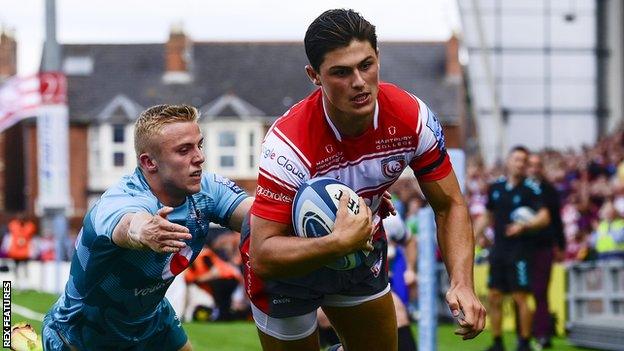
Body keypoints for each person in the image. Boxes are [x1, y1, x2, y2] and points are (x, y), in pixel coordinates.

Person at [240, 9, 485, 351]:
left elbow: (450, 204)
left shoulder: (412, 119)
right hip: (288, 260)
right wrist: (336, 243)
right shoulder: (288, 144)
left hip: (359, 249)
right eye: (341, 72)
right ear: (315, 75)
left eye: (366, 65)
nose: (358, 82)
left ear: (378, 58)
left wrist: (462, 282)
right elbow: (263, 253)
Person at [42, 104, 252, 351]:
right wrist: (143, 231)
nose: (199, 157)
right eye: (184, 150)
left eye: (199, 145)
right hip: (82, 332)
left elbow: (260, 217)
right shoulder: (120, 200)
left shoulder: (208, 189)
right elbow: (128, 224)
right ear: (149, 162)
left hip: (150, 317)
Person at [474, 146, 551, 351]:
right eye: (516, 159)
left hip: (520, 252)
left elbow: (544, 217)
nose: (520, 163)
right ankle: (497, 343)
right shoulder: (496, 187)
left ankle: (524, 342)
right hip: (499, 250)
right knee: (494, 297)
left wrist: (525, 225)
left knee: (520, 297)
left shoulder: (531, 189)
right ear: (508, 161)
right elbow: (487, 215)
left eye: (523, 161)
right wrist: (473, 237)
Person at [526, 153, 565, 348]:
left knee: (541, 292)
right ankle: (524, 334)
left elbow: (557, 220)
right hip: (522, 248)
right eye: (531, 165)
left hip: (544, 247)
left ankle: (542, 333)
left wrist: (561, 245)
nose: (534, 168)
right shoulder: (521, 188)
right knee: (522, 292)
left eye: (538, 165)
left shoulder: (549, 190)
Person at [6, 213, 37, 289]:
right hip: (15, 252)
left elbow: (31, 230)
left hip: (24, 252)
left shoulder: (29, 226)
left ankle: (25, 284)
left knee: (25, 268)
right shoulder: (13, 225)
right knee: (16, 268)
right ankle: (16, 283)